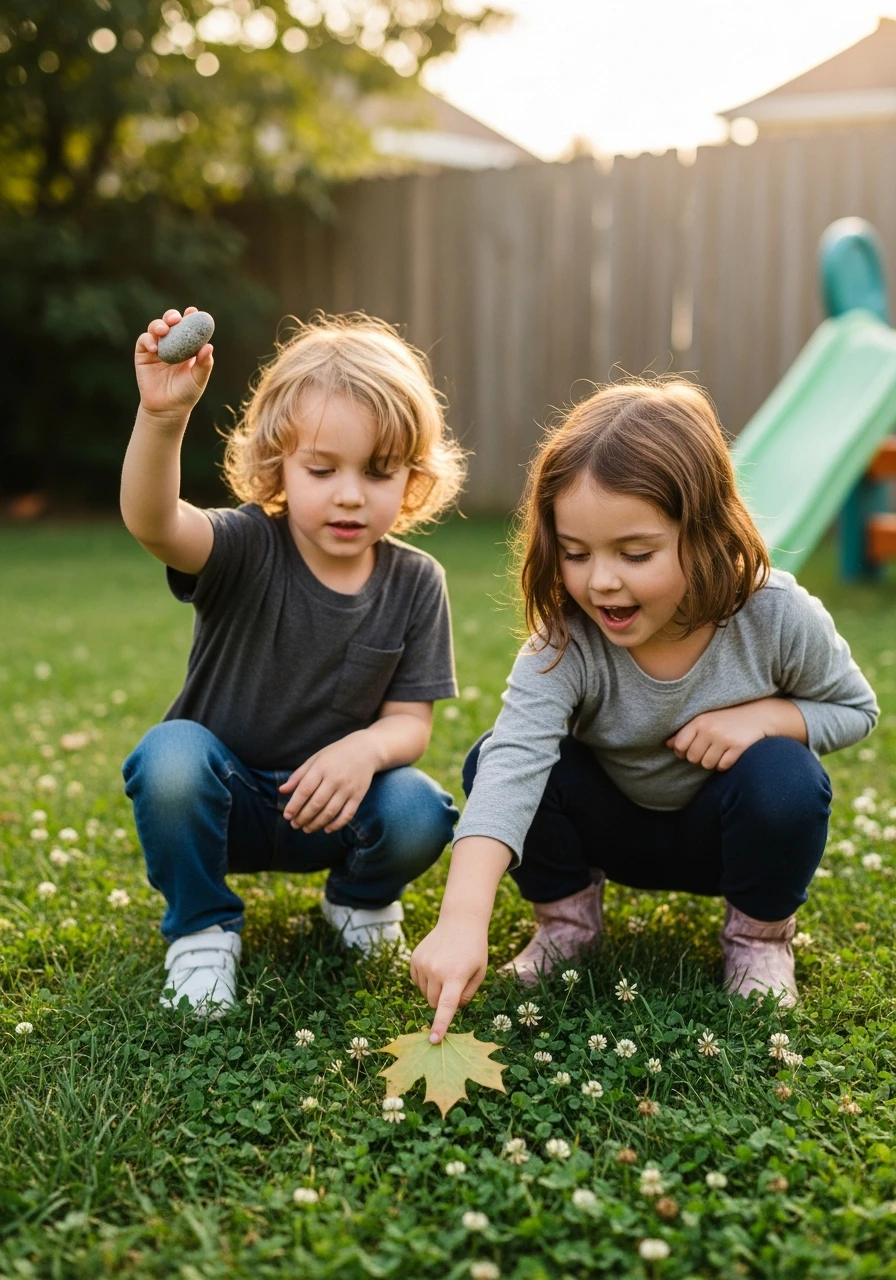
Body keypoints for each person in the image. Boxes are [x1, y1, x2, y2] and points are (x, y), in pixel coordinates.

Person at [411, 380, 878, 1041]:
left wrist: (768, 719)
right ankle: (566, 926)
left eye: (635, 554)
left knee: (786, 776)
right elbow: (513, 767)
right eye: (576, 553)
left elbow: (856, 709)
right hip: (613, 831)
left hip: (721, 839)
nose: (602, 579)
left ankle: (758, 941)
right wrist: (461, 919)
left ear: (706, 532)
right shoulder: (568, 640)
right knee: (491, 758)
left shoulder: (775, 614)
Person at [121, 307, 465, 1017]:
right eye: (322, 468)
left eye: (378, 471)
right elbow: (155, 523)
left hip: (335, 805)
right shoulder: (245, 546)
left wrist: (365, 753)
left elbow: (410, 724)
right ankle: (202, 929)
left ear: (414, 479)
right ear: (278, 467)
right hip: (228, 803)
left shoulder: (416, 581)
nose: (349, 493)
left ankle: (359, 903)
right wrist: (161, 418)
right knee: (170, 759)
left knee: (419, 809)